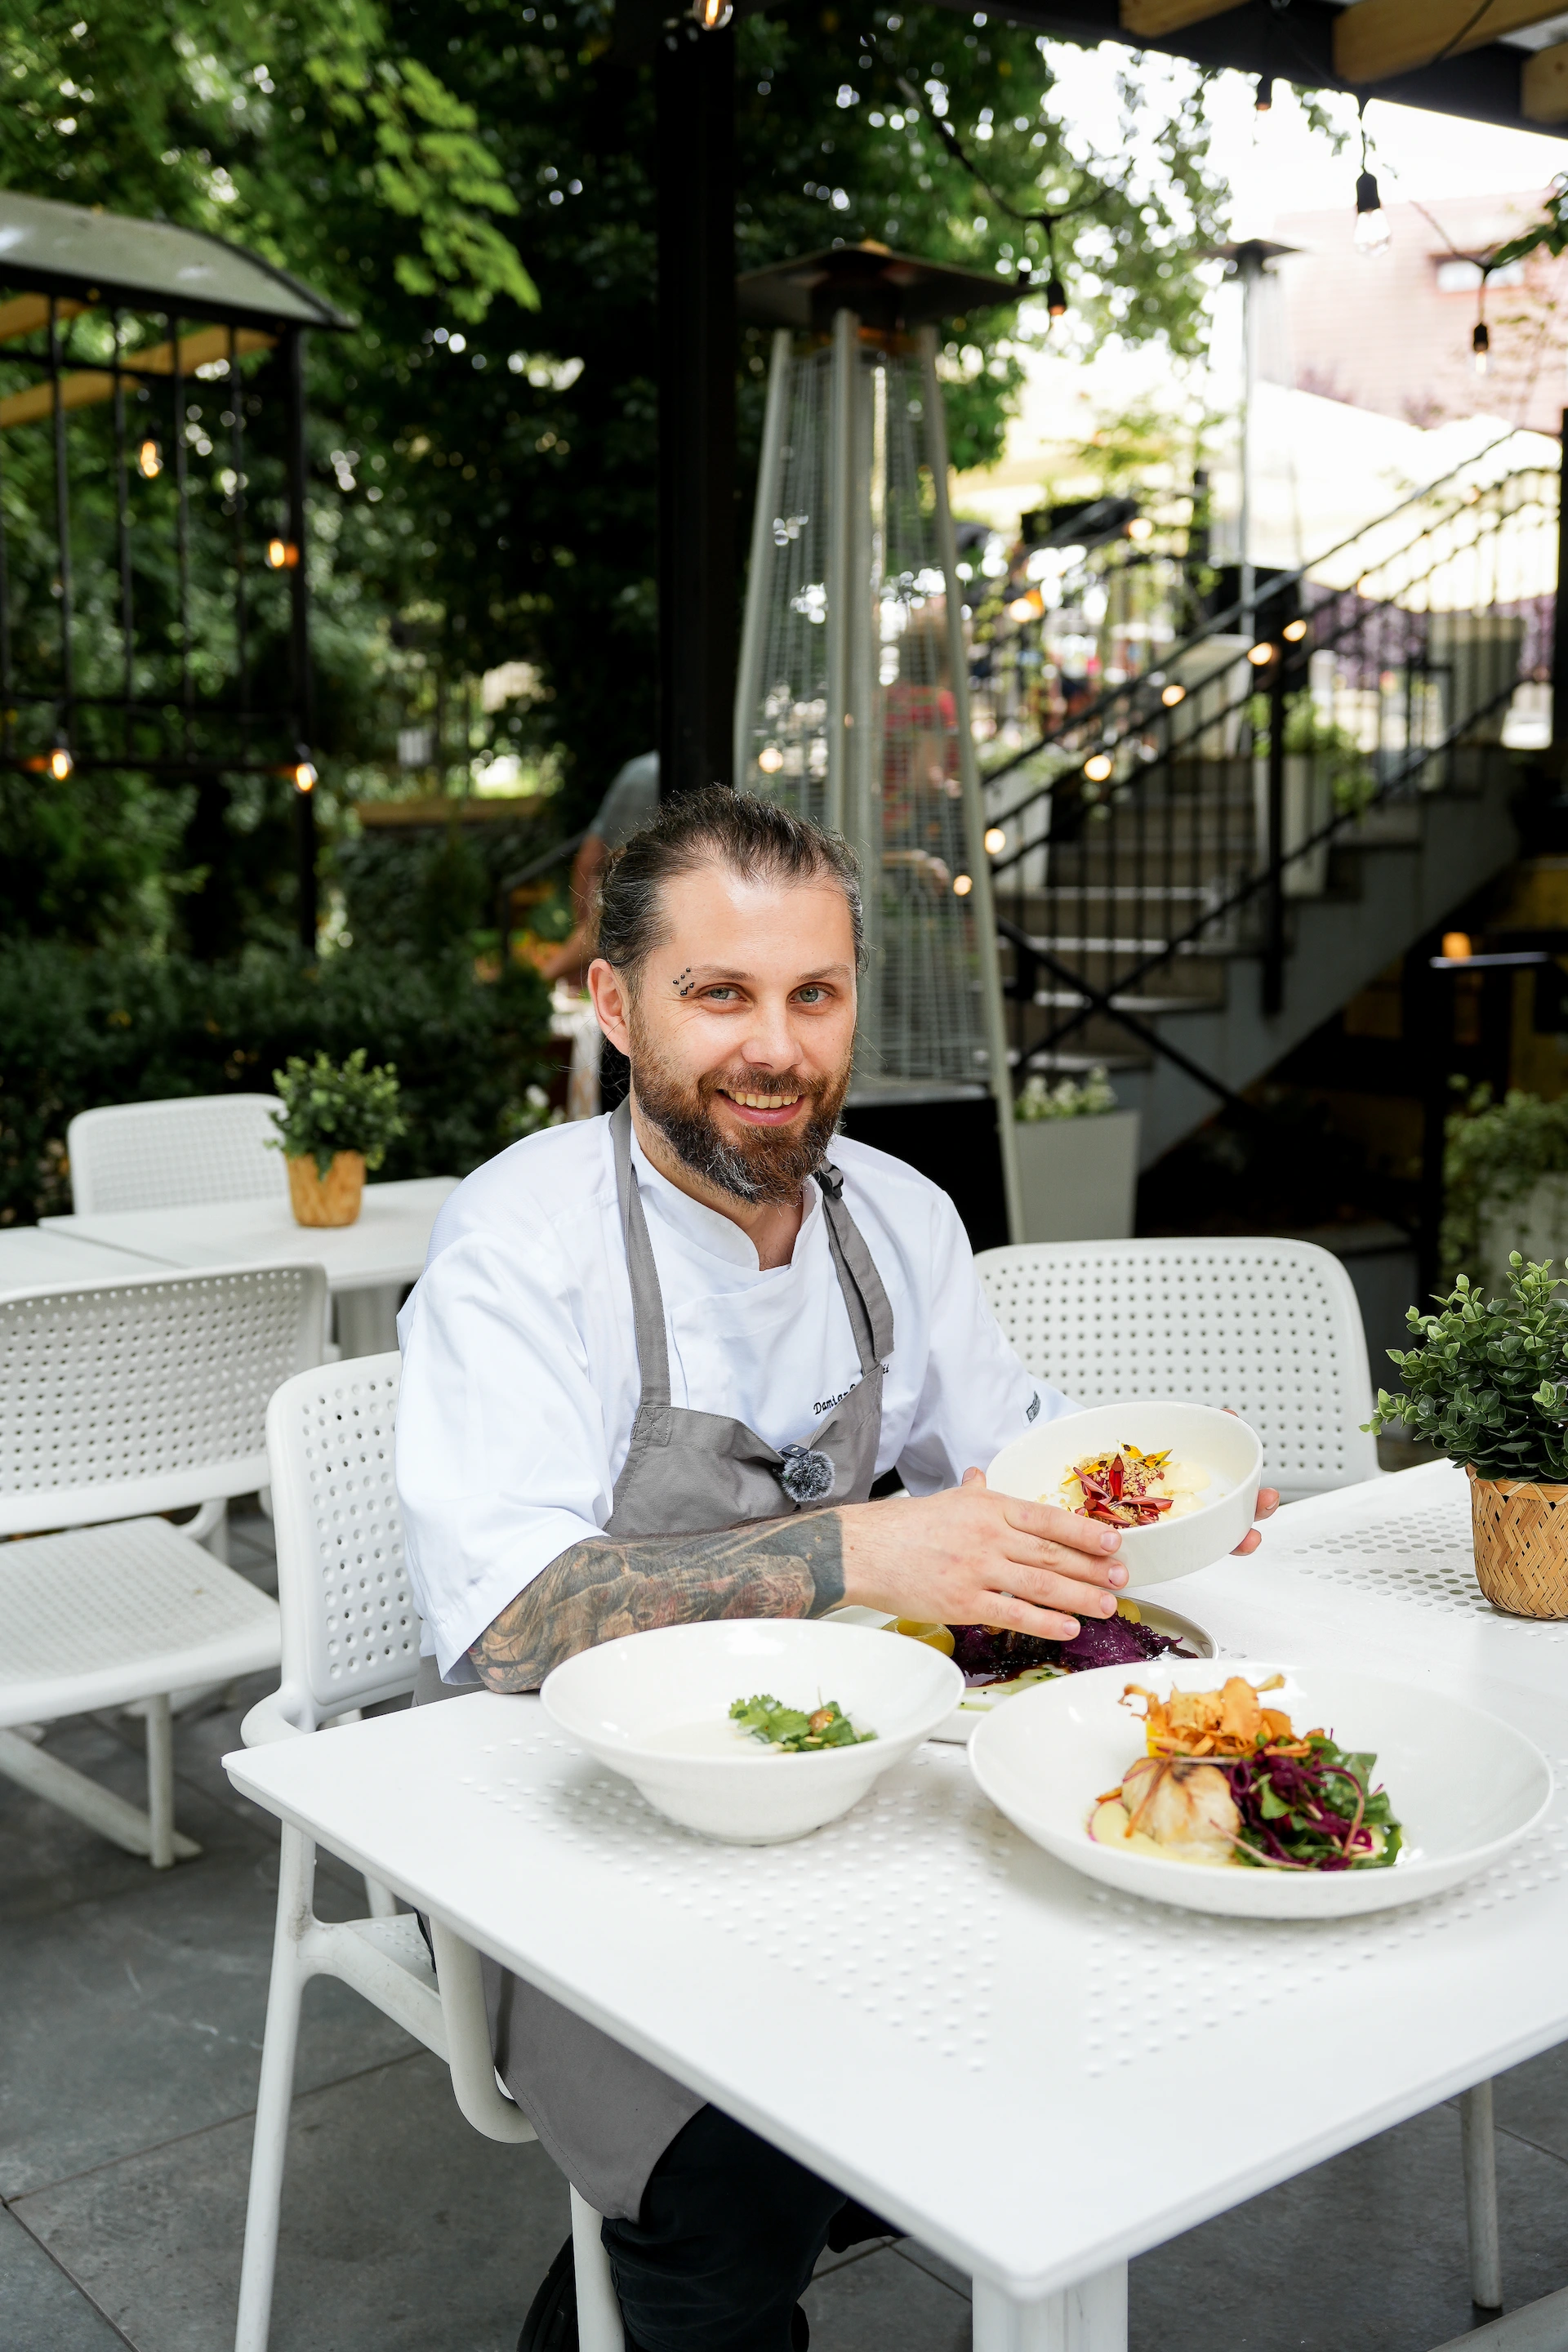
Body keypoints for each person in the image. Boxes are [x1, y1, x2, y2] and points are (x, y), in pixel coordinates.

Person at [396, 788, 1278, 2352]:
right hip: (565, 1819)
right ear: (616, 1004)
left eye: (813, 994)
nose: (777, 1048)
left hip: (850, 1781)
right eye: (718, 994)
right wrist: (859, 1543)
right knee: (733, 2169)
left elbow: (1012, 1458)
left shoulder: (902, 1219)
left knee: (1116, 2001)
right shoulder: (522, 1242)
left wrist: (1149, 1509)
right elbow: (518, 1621)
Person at [531, 749, 660, 987]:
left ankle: (532, 988)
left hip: (620, 893)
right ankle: (532, 988)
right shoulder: (665, 771)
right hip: (645, 895)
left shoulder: (636, 770)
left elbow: (589, 855)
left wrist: (584, 925)